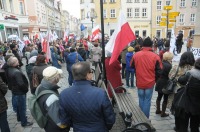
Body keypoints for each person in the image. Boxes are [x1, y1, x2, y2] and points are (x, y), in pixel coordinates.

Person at [59, 62, 116, 131]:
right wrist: (105, 128)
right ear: (87, 75)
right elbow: (110, 117)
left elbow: (64, 119)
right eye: (91, 72)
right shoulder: (100, 93)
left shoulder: (64, 94)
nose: (92, 73)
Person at [130, 37, 162, 118]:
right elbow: (160, 70)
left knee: (141, 100)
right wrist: (155, 79)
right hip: (150, 82)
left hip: (140, 81)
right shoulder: (155, 56)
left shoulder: (136, 55)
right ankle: (146, 121)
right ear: (151, 46)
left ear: (142, 45)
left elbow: (131, 65)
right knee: (147, 101)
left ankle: (141, 119)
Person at [168, 51, 195, 132]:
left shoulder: (176, 67)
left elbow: (170, 77)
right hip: (189, 93)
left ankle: (177, 126)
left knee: (177, 109)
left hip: (177, 92)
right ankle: (184, 127)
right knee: (185, 110)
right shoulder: (194, 68)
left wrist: (178, 79)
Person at [36, 66, 68, 132]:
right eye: (59, 75)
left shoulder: (40, 86)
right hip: (54, 128)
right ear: (56, 78)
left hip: (47, 121)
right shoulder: (52, 98)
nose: (60, 77)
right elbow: (58, 121)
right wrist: (66, 126)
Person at [5, 57, 33, 127]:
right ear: (14, 63)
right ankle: (24, 122)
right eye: (17, 61)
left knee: (19, 107)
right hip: (20, 92)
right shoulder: (16, 72)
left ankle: (20, 118)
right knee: (22, 108)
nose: (18, 61)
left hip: (15, 90)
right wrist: (26, 89)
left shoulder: (9, 69)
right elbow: (21, 84)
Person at [177, 58, 200, 132]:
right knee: (195, 126)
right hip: (198, 105)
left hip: (187, 103)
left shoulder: (190, 73)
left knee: (183, 125)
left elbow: (181, 80)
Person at [155, 52, 173, 117]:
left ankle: (158, 110)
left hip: (159, 81)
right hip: (166, 82)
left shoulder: (161, 63)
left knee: (159, 96)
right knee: (165, 98)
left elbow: (157, 72)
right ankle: (163, 112)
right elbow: (170, 75)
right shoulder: (169, 65)